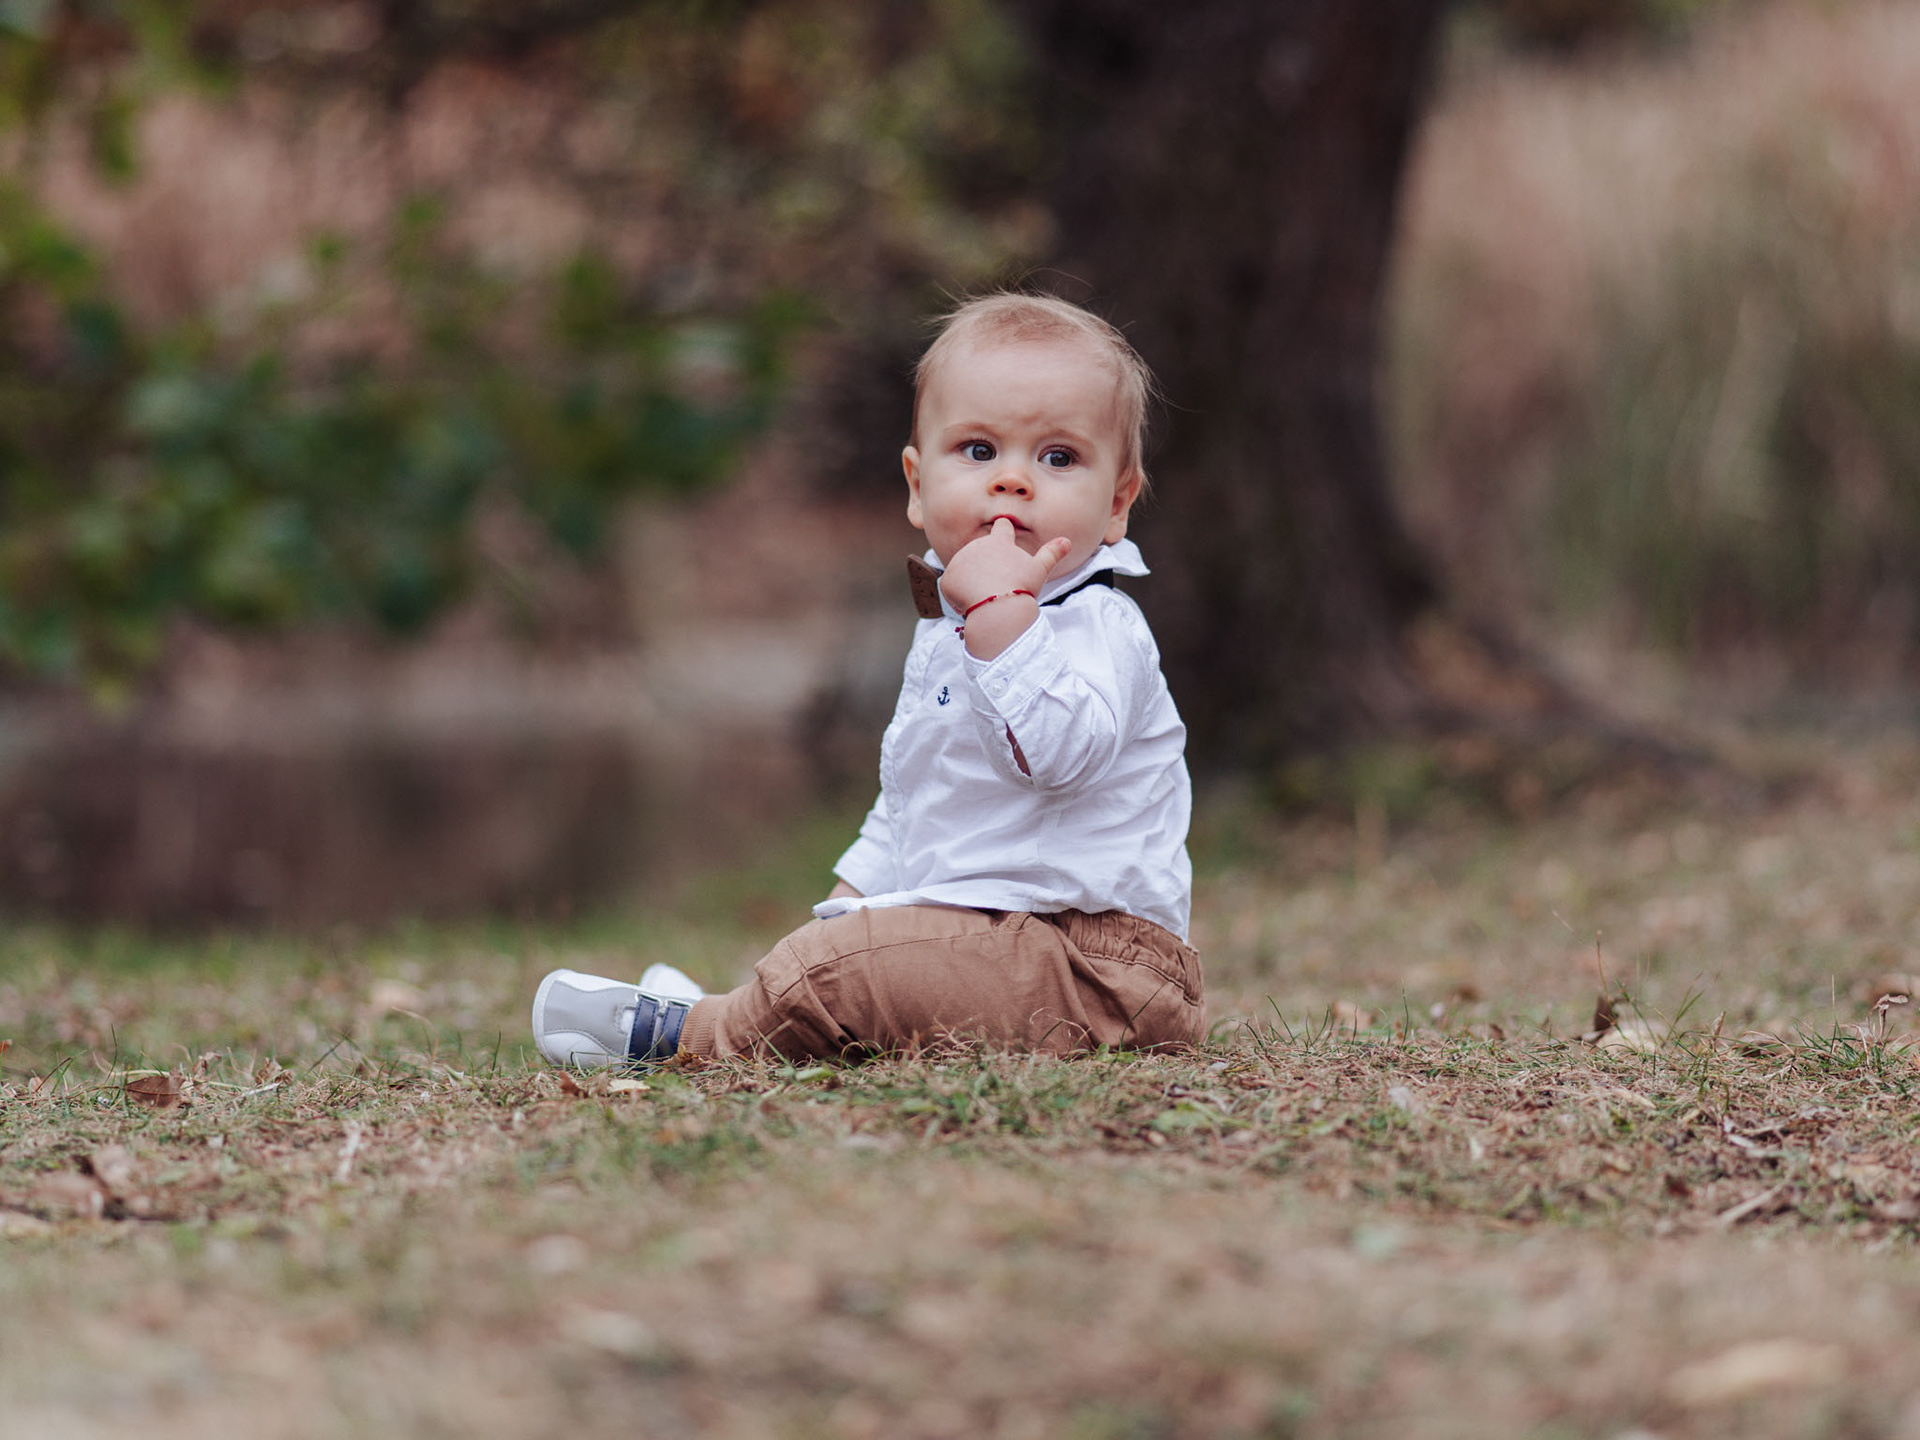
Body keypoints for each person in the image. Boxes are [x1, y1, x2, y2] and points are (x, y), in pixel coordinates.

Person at [531, 293, 1202, 1066]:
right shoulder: (951, 633)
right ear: (917, 486)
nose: (1013, 481)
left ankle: (685, 1037)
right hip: (989, 940)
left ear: (1117, 501)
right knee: (840, 953)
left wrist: (1004, 620)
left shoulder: (1097, 628)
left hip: (1094, 970)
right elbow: (917, 795)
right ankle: (743, 1008)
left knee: (840, 974)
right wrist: (855, 900)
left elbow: (1056, 758)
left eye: (1058, 458)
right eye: (979, 451)